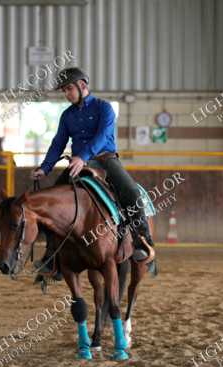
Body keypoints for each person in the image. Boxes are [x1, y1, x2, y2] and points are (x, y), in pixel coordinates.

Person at [31, 67, 154, 273]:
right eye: (64, 90)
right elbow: (58, 143)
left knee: (131, 192)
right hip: (78, 163)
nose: (66, 94)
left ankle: (142, 240)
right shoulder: (67, 115)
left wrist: (83, 157)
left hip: (106, 160)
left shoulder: (104, 108)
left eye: (69, 88)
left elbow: (102, 136)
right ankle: (52, 256)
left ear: (82, 85)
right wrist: (45, 168)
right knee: (52, 203)